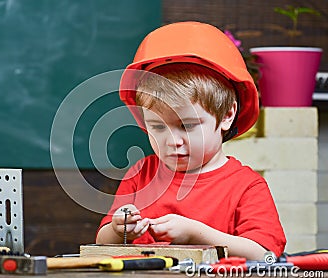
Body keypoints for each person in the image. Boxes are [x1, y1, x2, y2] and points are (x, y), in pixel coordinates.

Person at [96, 21, 286, 260]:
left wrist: (196, 234)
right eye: (157, 127)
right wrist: (119, 230)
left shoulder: (247, 186)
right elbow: (102, 242)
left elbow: (264, 254)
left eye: (187, 126)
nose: (172, 141)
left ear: (227, 115)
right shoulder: (141, 174)